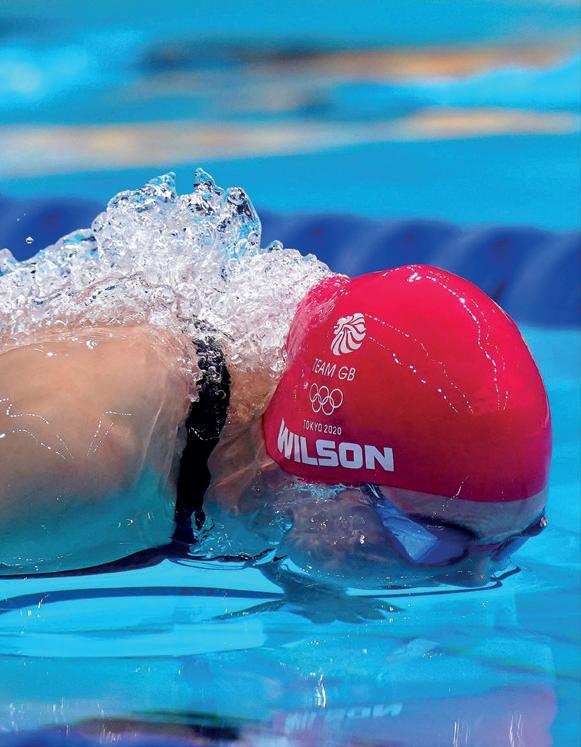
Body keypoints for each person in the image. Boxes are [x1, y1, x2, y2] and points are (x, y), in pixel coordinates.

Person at [203, 264, 550, 588]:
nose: (476, 579)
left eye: (510, 545)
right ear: (319, 477)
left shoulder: (280, 485)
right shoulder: (169, 438)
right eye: (430, 543)